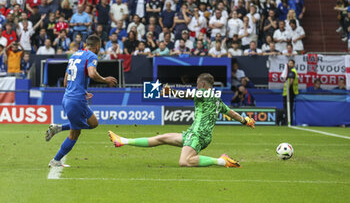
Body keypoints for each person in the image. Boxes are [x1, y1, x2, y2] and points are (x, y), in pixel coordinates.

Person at [108, 73, 255, 168]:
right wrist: (245, 121)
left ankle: (222, 161)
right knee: (162, 138)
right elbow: (232, 113)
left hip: (198, 134)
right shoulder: (217, 99)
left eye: (198, 83)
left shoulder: (204, 93)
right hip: (197, 134)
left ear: (203, 85)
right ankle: (123, 140)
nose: (196, 86)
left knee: (184, 162)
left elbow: (188, 95)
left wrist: (171, 91)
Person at [46, 35, 118, 167]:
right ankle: (56, 160)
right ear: (97, 46)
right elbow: (92, 73)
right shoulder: (92, 56)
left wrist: (80, 91)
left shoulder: (74, 55)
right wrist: (104, 79)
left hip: (69, 97)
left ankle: (59, 127)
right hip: (76, 100)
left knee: (93, 123)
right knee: (75, 132)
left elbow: (66, 80)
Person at [283, 59, 299, 125]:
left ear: (294, 65)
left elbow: (291, 81)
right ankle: (287, 121)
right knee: (287, 108)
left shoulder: (292, 71)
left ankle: (288, 122)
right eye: (289, 63)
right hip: (287, 92)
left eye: (291, 63)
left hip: (290, 92)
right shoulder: (288, 71)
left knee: (289, 108)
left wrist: (288, 88)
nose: (290, 64)